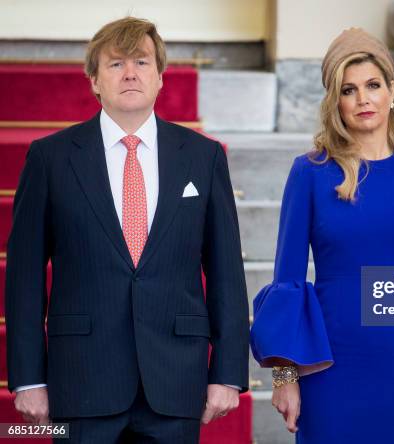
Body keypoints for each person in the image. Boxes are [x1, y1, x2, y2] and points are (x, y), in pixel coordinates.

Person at [5, 17, 249, 443]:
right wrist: (27, 379)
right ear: (94, 81)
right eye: (116, 64)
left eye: (141, 61)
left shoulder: (203, 157)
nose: (131, 73)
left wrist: (227, 372)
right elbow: (24, 275)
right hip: (82, 382)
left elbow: (226, 271)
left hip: (175, 380)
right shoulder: (51, 158)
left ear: (160, 78)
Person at [250, 28, 394, 443]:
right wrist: (285, 375)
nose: (363, 99)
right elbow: (288, 277)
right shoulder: (310, 172)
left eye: (373, 85)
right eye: (349, 90)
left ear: (391, 90)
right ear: (335, 102)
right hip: (333, 364)